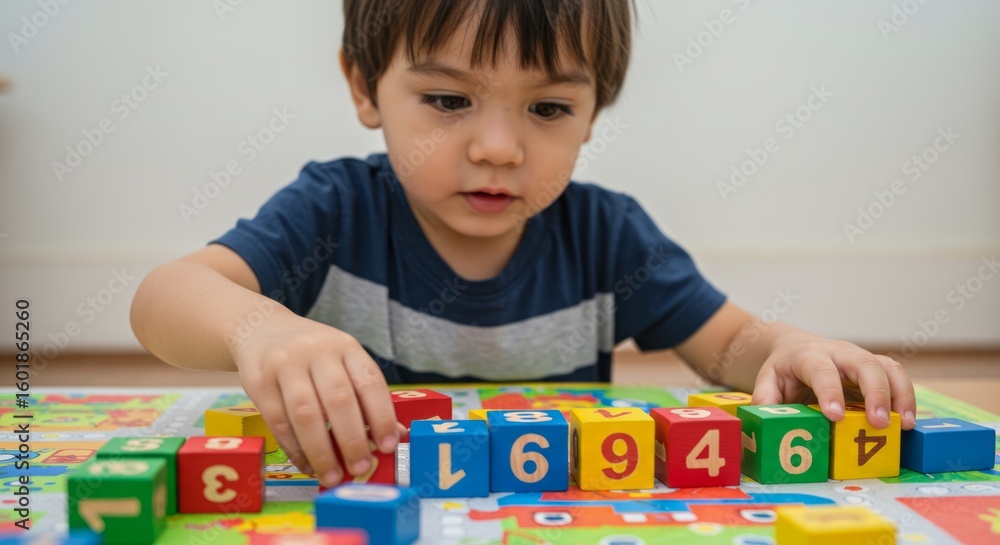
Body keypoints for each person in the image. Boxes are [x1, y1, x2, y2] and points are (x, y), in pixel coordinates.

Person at [130, 0, 916, 488]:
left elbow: (733, 345)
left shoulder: (607, 233)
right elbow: (163, 296)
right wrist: (257, 326)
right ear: (365, 86)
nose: (499, 147)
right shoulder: (333, 211)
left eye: (547, 109)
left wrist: (796, 348)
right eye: (447, 99)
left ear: (593, 112)